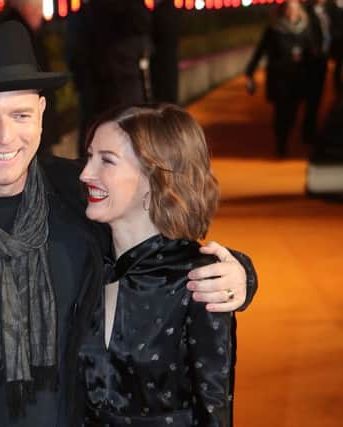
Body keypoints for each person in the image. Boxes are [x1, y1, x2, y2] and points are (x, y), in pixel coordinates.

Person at [0, 21, 257, 427]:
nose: (4, 137)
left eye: (19, 115)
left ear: (40, 114)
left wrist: (240, 273)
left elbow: (157, 246)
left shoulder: (81, 194)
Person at [74, 104, 236, 426]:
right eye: (89, 156)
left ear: (153, 176)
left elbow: (214, 410)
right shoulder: (85, 264)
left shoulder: (200, 280)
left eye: (106, 160)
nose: (85, 174)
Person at [246, 0, 314, 157]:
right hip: (279, 79)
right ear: (283, 11)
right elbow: (260, 51)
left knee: (293, 112)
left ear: (299, 11)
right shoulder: (274, 29)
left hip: (297, 78)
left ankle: (286, 134)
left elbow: (311, 52)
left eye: (294, 9)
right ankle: (281, 142)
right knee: (280, 112)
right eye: (289, 9)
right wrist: (250, 72)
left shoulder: (303, 29)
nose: (291, 12)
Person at [3, 0, 61, 155]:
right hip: (29, 123)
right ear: (27, 8)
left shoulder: (22, 30)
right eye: (39, 9)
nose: (41, 15)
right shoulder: (16, 31)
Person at [304, 0, 332, 144]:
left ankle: (312, 129)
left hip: (323, 60)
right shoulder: (307, 12)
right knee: (312, 98)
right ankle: (308, 132)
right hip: (312, 63)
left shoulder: (326, 11)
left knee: (318, 97)